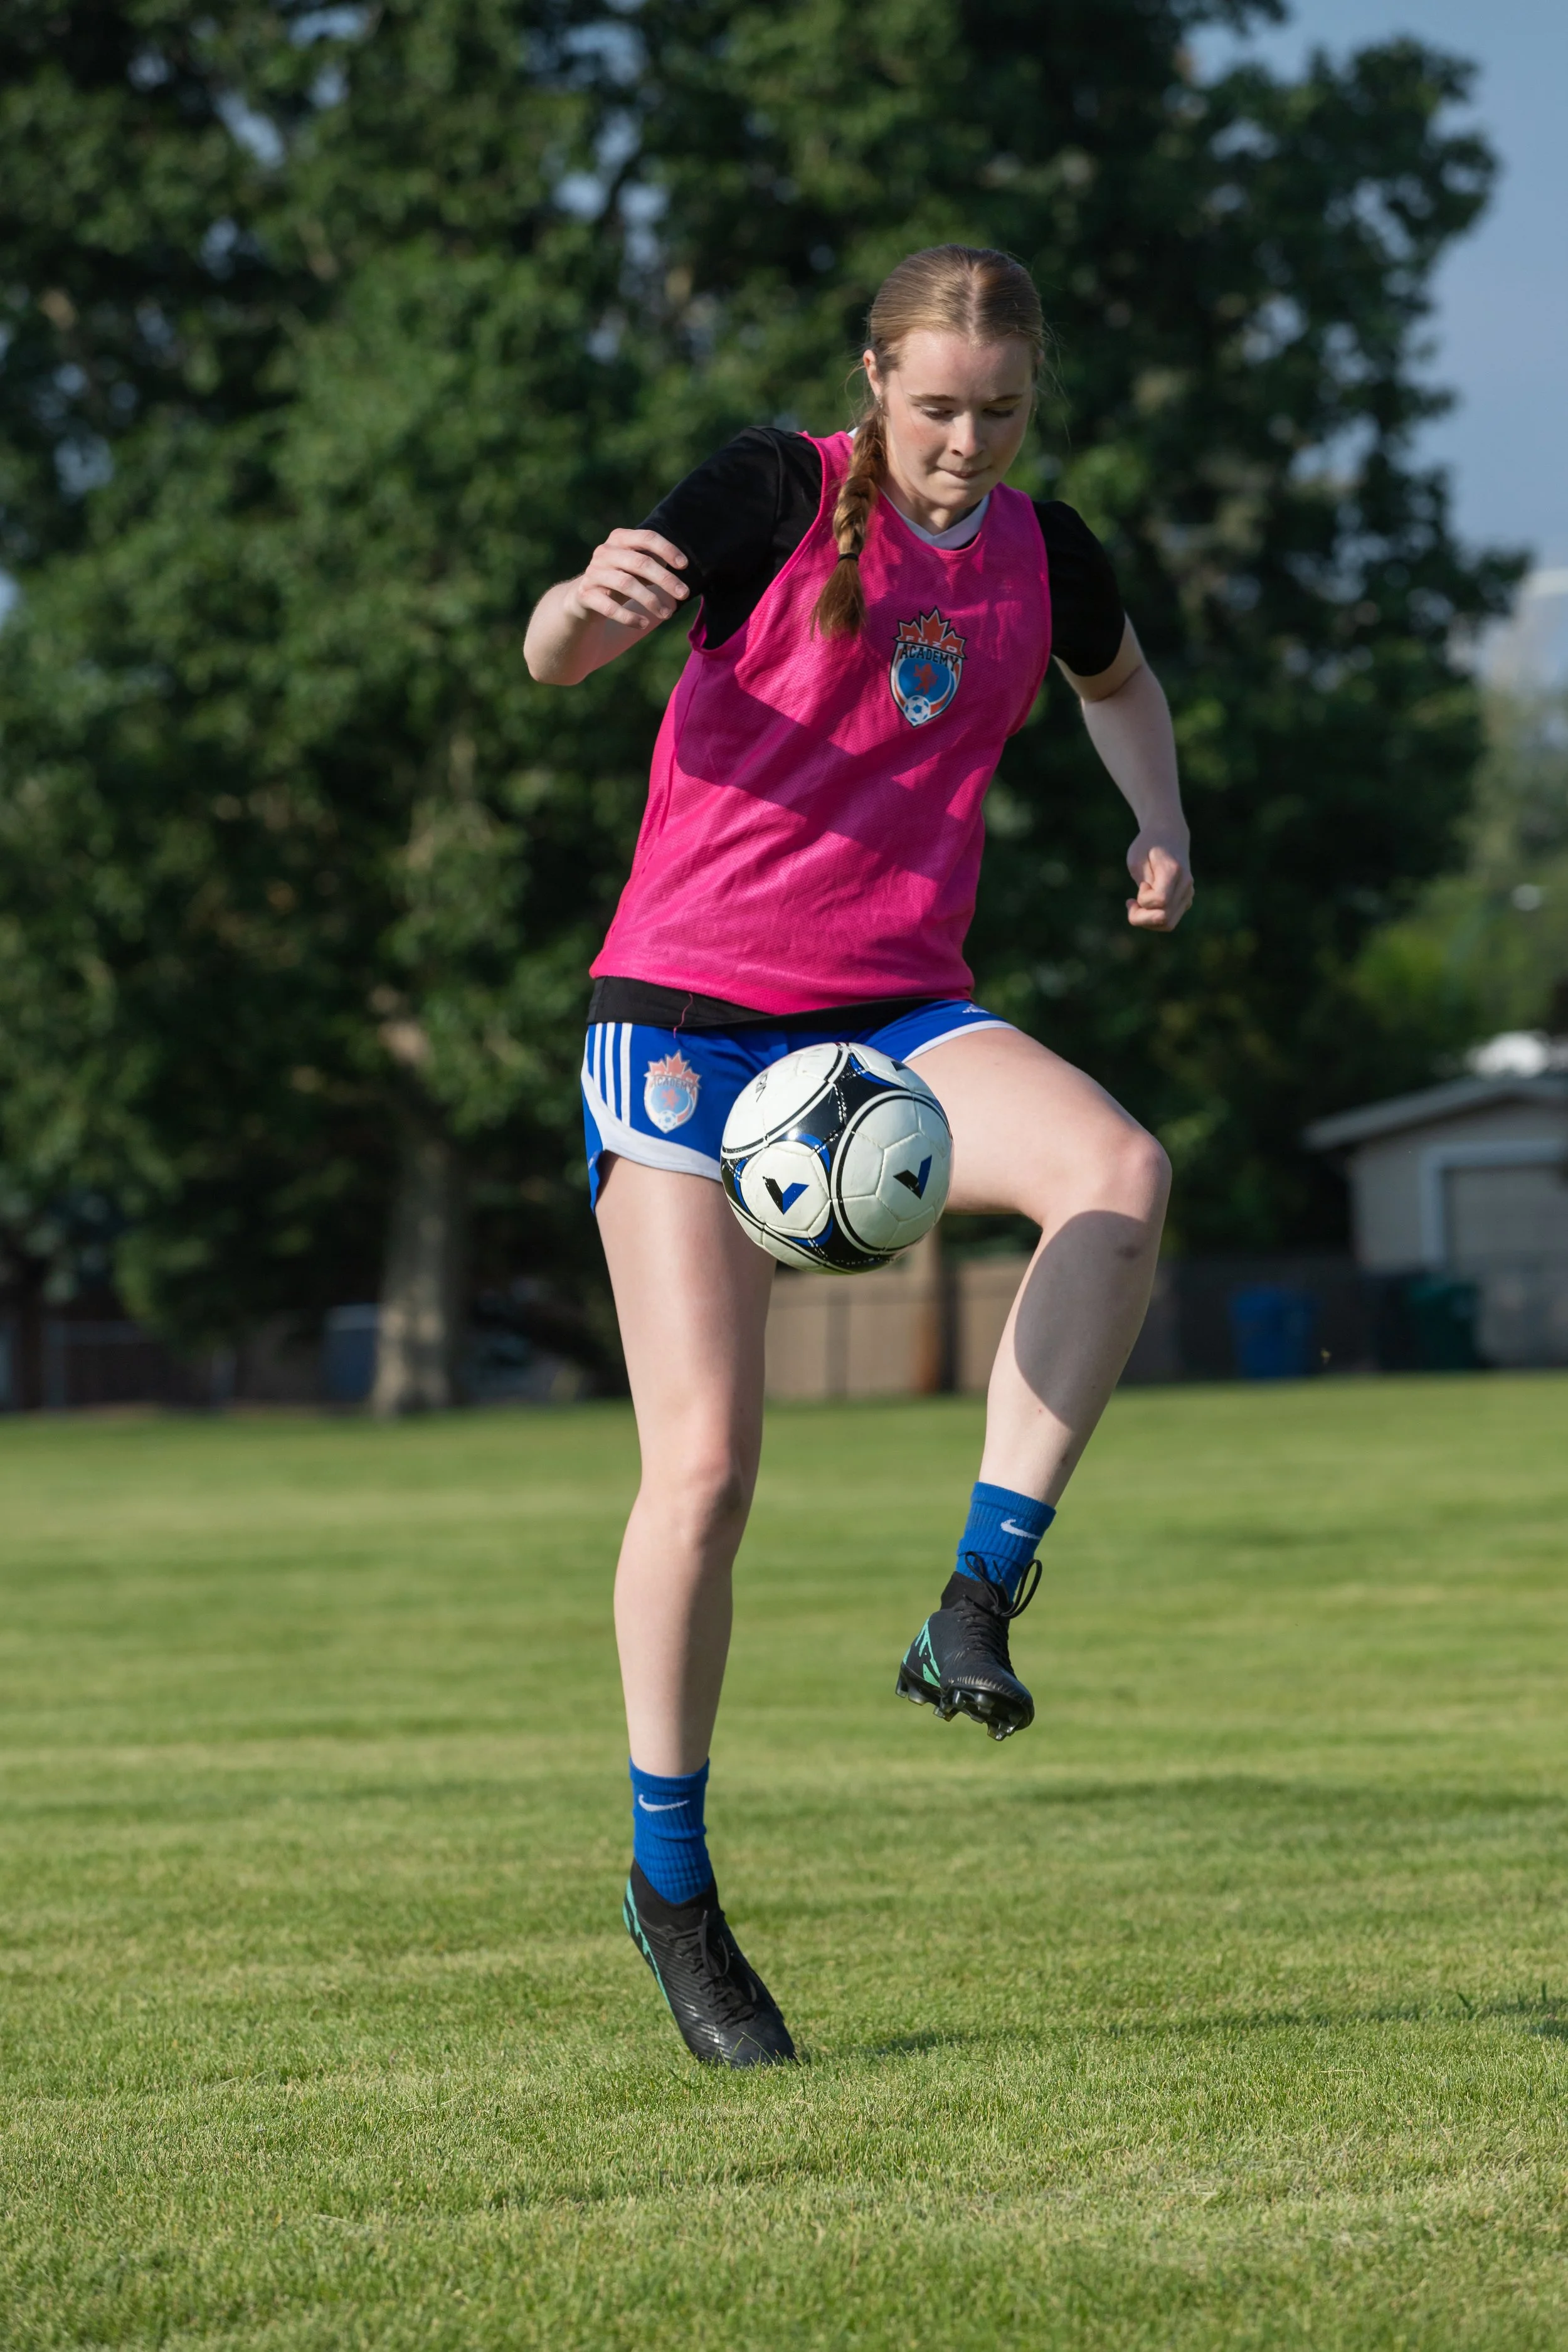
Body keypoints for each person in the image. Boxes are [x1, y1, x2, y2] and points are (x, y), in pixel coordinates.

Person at [524, 245, 1193, 2069]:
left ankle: (976, 1594)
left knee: (1117, 1173)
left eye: (995, 411)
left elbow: (1118, 685)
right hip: (680, 1017)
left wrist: (1160, 828)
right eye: (931, 409)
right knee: (709, 1471)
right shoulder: (770, 493)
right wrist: (581, 602)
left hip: (891, 1012)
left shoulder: (1045, 555)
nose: (962, 446)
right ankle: (673, 1884)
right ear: (873, 385)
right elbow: (560, 655)